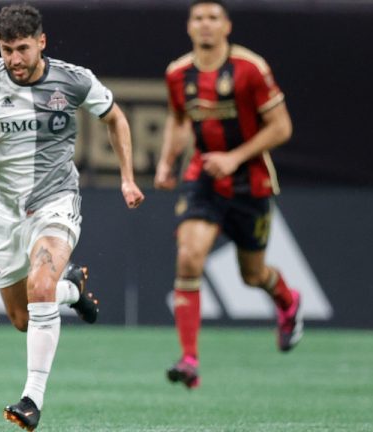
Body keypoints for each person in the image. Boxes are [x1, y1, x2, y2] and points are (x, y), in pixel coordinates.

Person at [0, 4, 144, 430]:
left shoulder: (73, 79)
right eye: (5, 49)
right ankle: (71, 291)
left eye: (21, 48)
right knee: (23, 318)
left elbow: (116, 118)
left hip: (55, 198)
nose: (14, 59)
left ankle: (31, 399)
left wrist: (127, 178)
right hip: (2, 210)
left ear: (41, 42)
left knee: (40, 284)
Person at [154, 0, 303, 390]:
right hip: (202, 176)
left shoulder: (251, 69)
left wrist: (234, 157)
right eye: (198, 18)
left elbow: (281, 127)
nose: (205, 25)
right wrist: (168, 161)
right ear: (189, 27)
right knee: (188, 258)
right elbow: (180, 119)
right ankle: (189, 360)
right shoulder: (178, 73)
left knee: (252, 275)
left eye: (213, 18)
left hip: (249, 181)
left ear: (227, 26)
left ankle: (287, 301)